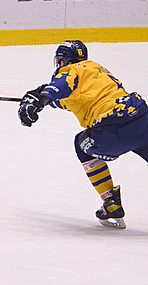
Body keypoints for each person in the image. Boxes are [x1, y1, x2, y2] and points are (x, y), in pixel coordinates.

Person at [18, 40, 148, 229]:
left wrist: (39, 100)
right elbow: (68, 99)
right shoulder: (96, 68)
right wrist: (40, 99)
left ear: (63, 61)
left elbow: (61, 86)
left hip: (113, 127)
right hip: (142, 118)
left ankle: (111, 203)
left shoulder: (71, 72)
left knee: (83, 146)